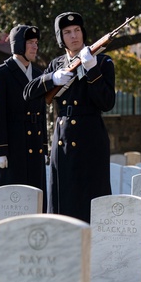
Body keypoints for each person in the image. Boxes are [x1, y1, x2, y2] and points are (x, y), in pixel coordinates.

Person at [23, 12, 116, 223]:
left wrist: (92, 70)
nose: (74, 36)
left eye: (77, 30)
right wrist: (51, 79)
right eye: (67, 32)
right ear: (60, 38)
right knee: (62, 201)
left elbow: (107, 102)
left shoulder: (102, 62)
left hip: (91, 137)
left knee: (92, 198)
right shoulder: (56, 65)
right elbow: (28, 93)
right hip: (63, 140)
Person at [0, 24, 47, 191]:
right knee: (13, 196)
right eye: (30, 42)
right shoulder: (2, 73)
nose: (35, 46)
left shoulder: (37, 74)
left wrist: (43, 146)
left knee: (36, 197)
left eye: (36, 42)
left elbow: (41, 114)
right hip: (13, 146)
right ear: (18, 44)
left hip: (34, 145)